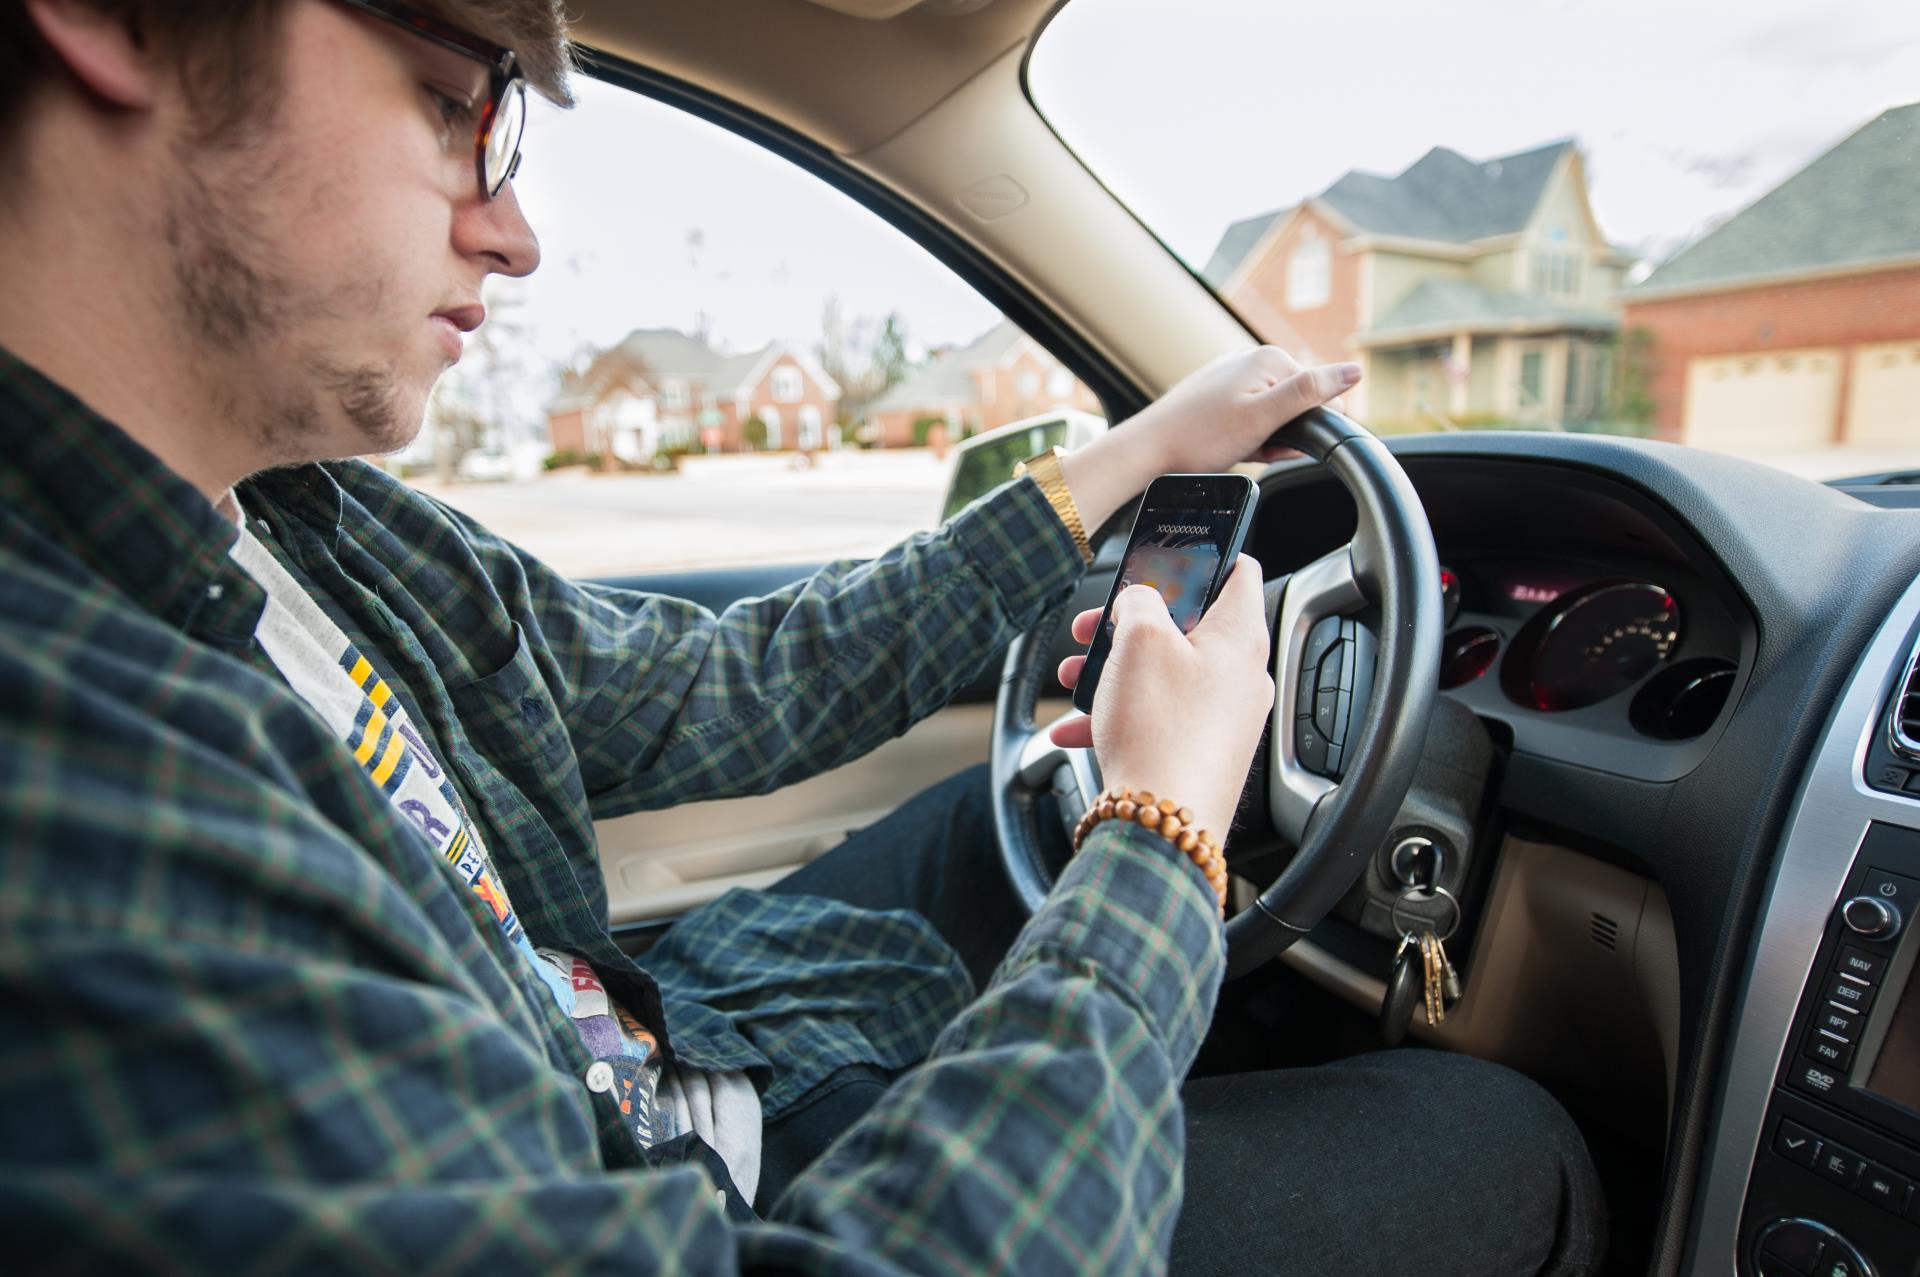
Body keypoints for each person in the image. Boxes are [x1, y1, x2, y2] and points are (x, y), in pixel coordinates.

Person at [0, 1, 1605, 1273]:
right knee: (1505, 1144)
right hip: (712, 1194)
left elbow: (714, 680)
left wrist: (1135, 453)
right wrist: (1164, 830)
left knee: (985, 843)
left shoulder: (294, 515)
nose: (514, 233)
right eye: (452, 105)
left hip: (670, 1037)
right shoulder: (73, 791)